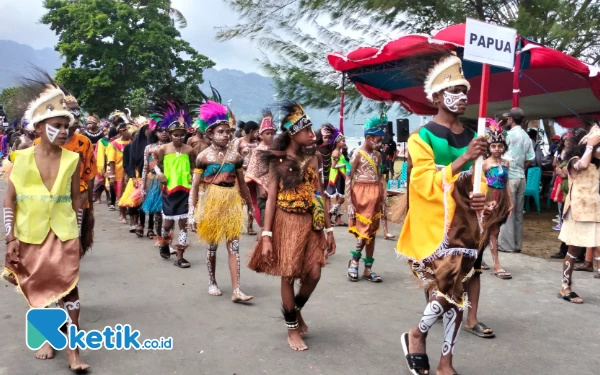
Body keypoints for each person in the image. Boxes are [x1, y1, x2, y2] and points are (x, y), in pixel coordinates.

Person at [397, 52, 492, 375]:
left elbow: (481, 183)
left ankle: (445, 362)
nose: (463, 97)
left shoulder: (472, 137)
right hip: (433, 231)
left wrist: (483, 199)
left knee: (456, 295)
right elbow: (423, 184)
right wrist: (465, 158)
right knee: (447, 292)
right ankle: (417, 334)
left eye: (466, 91)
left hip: (466, 229)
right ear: (437, 97)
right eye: (455, 91)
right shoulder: (420, 137)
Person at [2, 82, 89, 371]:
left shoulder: (73, 158)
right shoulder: (21, 158)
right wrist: (10, 237)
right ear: (39, 128)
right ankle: (47, 338)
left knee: (70, 290)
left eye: (67, 126)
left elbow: (78, 198)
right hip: (30, 233)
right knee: (38, 286)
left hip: (63, 232)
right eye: (57, 125)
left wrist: (77, 233)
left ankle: (73, 351)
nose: (64, 131)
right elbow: (9, 200)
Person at [248, 102, 336, 351]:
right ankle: (291, 328)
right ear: (293, 134)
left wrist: (329, 231)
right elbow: (272, 199)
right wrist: (266, 236)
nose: (312, 134)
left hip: (311, 223)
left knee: (315, 274)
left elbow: (320, 195)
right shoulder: (278, 162)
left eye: (311, 129)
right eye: (307, 130)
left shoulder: (313, 159)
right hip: (285, 222)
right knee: (288, 274)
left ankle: (294, 311)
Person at [557, 123, 600, 304]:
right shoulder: (575, 159)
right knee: (573, 250)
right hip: (578, 212)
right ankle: (565, 286)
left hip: (596, 210)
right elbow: (582, 165)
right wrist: (591, 143)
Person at [345, 113, 386, 282]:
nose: (381, 142)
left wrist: (383, 200)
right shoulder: (357, 154)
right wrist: (349, 204)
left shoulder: (378, 156)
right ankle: (354, 260)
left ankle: (368, 269)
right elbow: (349, 177)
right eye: (378, 139)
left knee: (372, 233)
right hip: (360, 195)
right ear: (368, 138)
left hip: (375, 195)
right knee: (364, 231)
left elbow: (380, 177)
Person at [154, 103, 195, 268]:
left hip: (185, 190)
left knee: (183, 224)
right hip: (169, 190)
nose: (179, 137)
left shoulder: (189, 150)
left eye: (182, 135)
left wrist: (193, 176)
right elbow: (153, 163)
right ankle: (164, 242)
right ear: (170, 134)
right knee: (167, 224)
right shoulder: (163, 148)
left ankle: (180, 256)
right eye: (176, 135)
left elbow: (193, 166)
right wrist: (160, 173)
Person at [498, 107, 534, 253]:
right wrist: (519, 167)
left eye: (508, 118)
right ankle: (517, 244)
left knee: (507, 210)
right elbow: (530, 159)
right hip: (521, 177)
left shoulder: (507, 135)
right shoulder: (526, 136)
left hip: (509, 177)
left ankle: (506, 245)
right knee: (519, 212)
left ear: (511, 120)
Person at [480, 119, 512, 280]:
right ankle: (496, 264)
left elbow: (506, 184)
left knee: (492, 231)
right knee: (490, 231)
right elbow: (479, 184)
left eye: (500, 146)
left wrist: (510, 202)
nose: (497, 149)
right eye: (493, 146)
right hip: (489, 197)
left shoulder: (506, 163)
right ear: (488, 147)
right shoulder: (484, 164)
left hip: (502, 199)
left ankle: (477, 258)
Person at [246, 110, 276, 229]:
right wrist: (260, 186)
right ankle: (264, 231)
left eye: (272, 133)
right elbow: (253, 170)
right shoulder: (258, 150)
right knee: (263, 207)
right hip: (262, 183)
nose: (270, 136)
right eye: (267, 133)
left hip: (275, 183)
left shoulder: (277, 148)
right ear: (261, 135)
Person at [141, 118, 170, 239]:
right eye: (160, 130)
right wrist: (143, 187)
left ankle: (166, 236)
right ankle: (160, 237)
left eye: (166, 130)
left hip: (171, 179)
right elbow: (145, 167)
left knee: (169, 210)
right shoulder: (149, 147)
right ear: (155, 132)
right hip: (154, 180)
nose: (163, 133)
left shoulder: (173, 147)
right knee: (158, 209)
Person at [237, 120, 261, 234]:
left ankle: (250, 226)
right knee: (239, 202)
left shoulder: (258, 143)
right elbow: (233, 158)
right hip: (241, 176)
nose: (258, 133)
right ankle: (236, 225)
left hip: (254, 177)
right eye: (256, 131)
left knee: (252, 201)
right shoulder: (238, 142)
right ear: (251, 131)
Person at [107, 122, 133, 223]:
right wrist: (112, 176)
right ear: (122, 131)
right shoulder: (113, 144)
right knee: (121, 194)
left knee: (130, 194)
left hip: (130, 173)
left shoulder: (133, 143)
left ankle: (131, 215)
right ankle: (122, 215)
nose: (131, 132)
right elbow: (111, 161)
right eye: (128, 129)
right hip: (118, 174)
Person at [325, 128, 348, 226]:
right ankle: (329, 214)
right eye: (343, 141)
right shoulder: (336, 153)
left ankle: (337, 219)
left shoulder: (340, 152)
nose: (344, 142)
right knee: (341, 199)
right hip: (337, 177)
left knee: (339, 198)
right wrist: (344, 165)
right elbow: (333, 166)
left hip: (341, 177)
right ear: (337, 142)